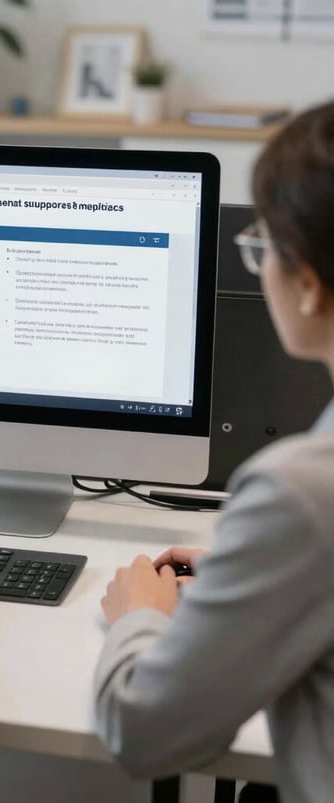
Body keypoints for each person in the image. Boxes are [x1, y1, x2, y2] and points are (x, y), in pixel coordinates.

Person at [93, 99, 334, 803]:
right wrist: (260, 566)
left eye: (262, 244)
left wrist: (140, 612)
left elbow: (143, 732)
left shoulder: (303, 491)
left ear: (310, 283)